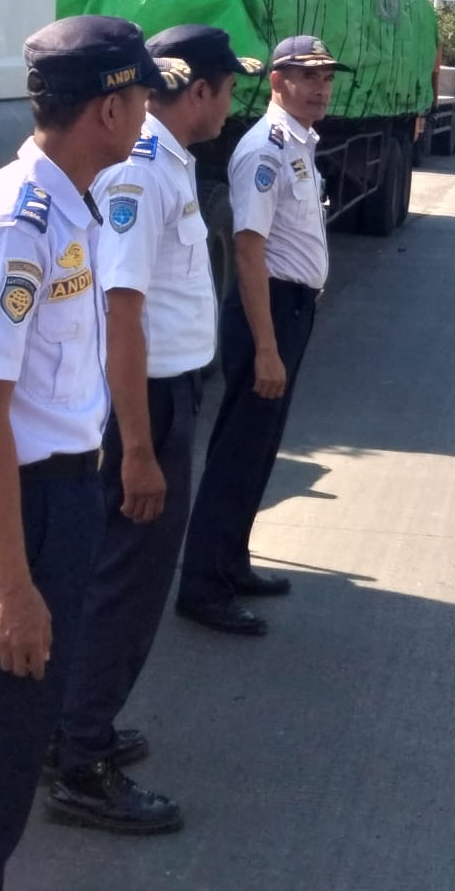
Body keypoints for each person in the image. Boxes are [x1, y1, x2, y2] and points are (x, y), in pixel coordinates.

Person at [0, 17, 161, 891]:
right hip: (13, 519)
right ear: (107, 106)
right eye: (138, 99)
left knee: (13, 756)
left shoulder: (72, 204)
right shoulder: (16, 222)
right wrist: (11, 589)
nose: (144, 117)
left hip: (61, 505)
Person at [46, 25, 259, 833]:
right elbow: (121, 310)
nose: (229, 106)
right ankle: (81, 763)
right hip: (149, 404)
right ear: (197, 91)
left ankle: (72, 729)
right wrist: (136, 447)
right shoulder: (144, 173)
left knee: (117, 579)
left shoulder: (166, 165)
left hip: (163, 395)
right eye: (227, 90)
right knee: (126, 589)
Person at [175, 35, 347, 635]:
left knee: (257, 450)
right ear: (277, 81)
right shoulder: (266, 150)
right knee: (237, 453)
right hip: (266, 314)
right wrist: (268, 347)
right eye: (308, 76)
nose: (321, 86)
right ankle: (203, 587)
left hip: (290, 310)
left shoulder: (298, 143)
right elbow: (249, 250)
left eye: (327, 77)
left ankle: (232, 563)